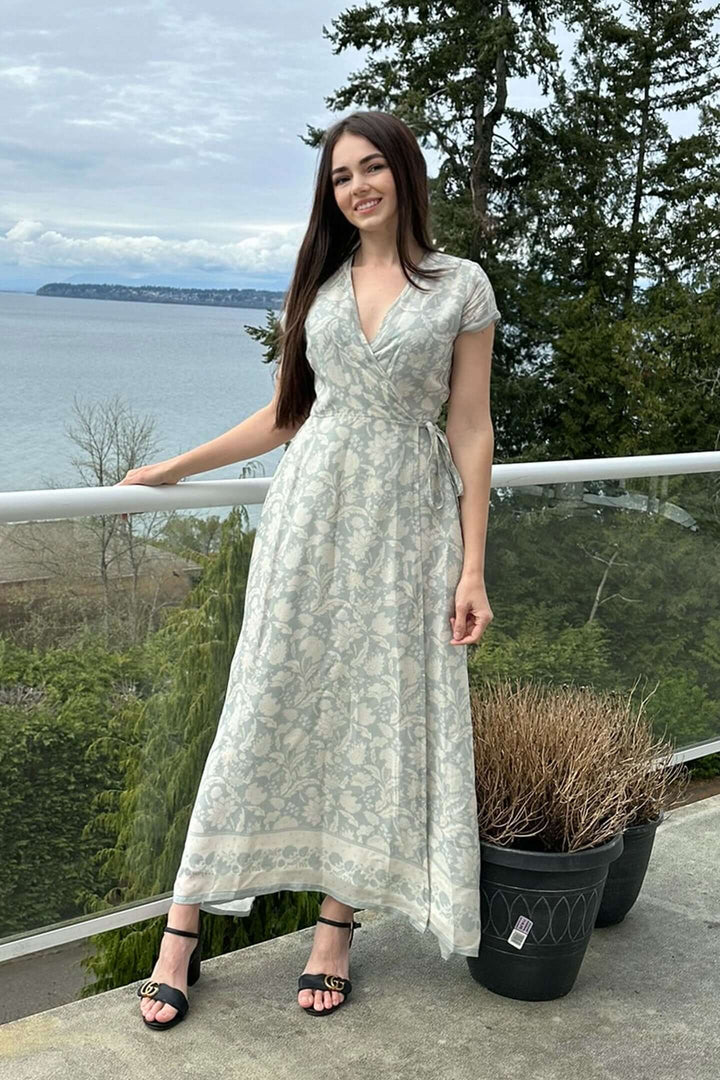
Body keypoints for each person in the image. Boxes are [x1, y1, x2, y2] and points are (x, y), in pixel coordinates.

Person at [116, 109, 499, 1028]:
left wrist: (474, 566)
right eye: (339, 177)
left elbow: (471, 427)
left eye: (372, 169)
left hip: (408, 529)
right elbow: (288, 414)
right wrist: (177, 467)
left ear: (405, 174)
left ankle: (337, 925)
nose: (357, 187)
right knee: (264, 698)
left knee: (376, 712)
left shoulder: (460, 286)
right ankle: (184, 926)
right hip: (309, 520)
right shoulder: (321, 280)